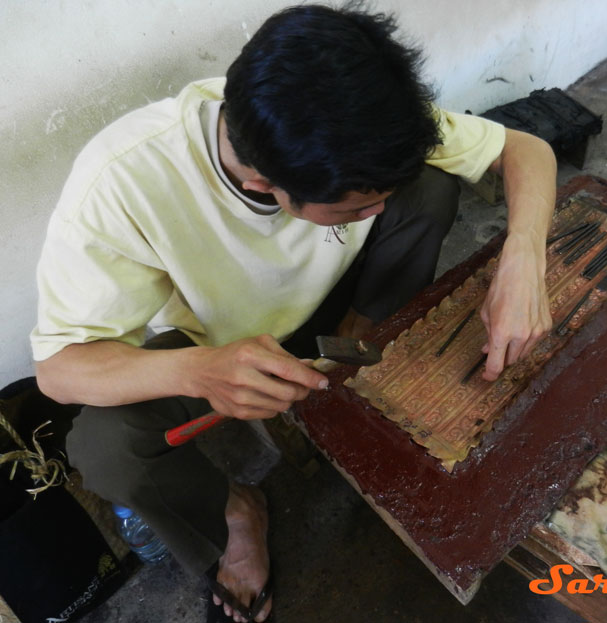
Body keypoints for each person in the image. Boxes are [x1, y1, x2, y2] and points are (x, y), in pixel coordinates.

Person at [31, 4, 557, 622]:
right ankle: (234, 514)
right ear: (264, 189)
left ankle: (358, 340)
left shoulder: (347, 117)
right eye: (356, 209)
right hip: (224, 346)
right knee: (106, 449)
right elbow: (59, 369)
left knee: (428, 185)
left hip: (334, 300)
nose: (374, 214)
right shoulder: (121, 181)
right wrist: (199, 371)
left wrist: (523, 258)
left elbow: (526, 150)